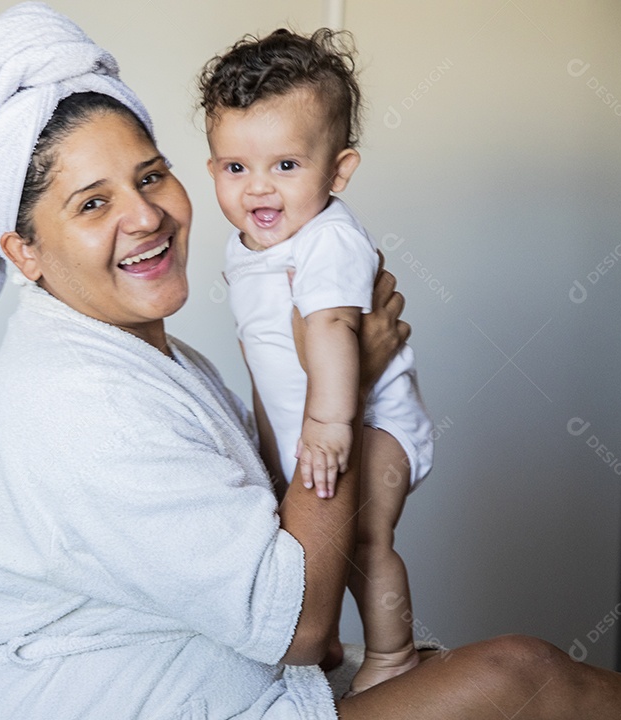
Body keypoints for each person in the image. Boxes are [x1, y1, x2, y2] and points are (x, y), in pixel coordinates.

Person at [0, 4, 621, 718]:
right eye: (92, 203)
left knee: (511, 673)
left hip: (206, 683)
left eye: (150, 176)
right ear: (24, 253)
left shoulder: (146, 355)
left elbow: (275, 523)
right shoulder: (76, 399)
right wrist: (349, 381)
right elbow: (304, 627)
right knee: (523, 677)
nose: (145, 217)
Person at [200, 29, 433, 694]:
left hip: (374, 428)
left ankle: (393, 658)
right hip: (317, 429)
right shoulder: (246, 247)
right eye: (235, 167)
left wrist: (332, 427)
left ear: (338, 170)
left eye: (286, 166)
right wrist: (275, 451)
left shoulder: (327, 241)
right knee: (311, 549)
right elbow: (262, 354)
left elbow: (332, 329)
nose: (259, 190)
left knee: (362, 542)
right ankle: (326, 639)